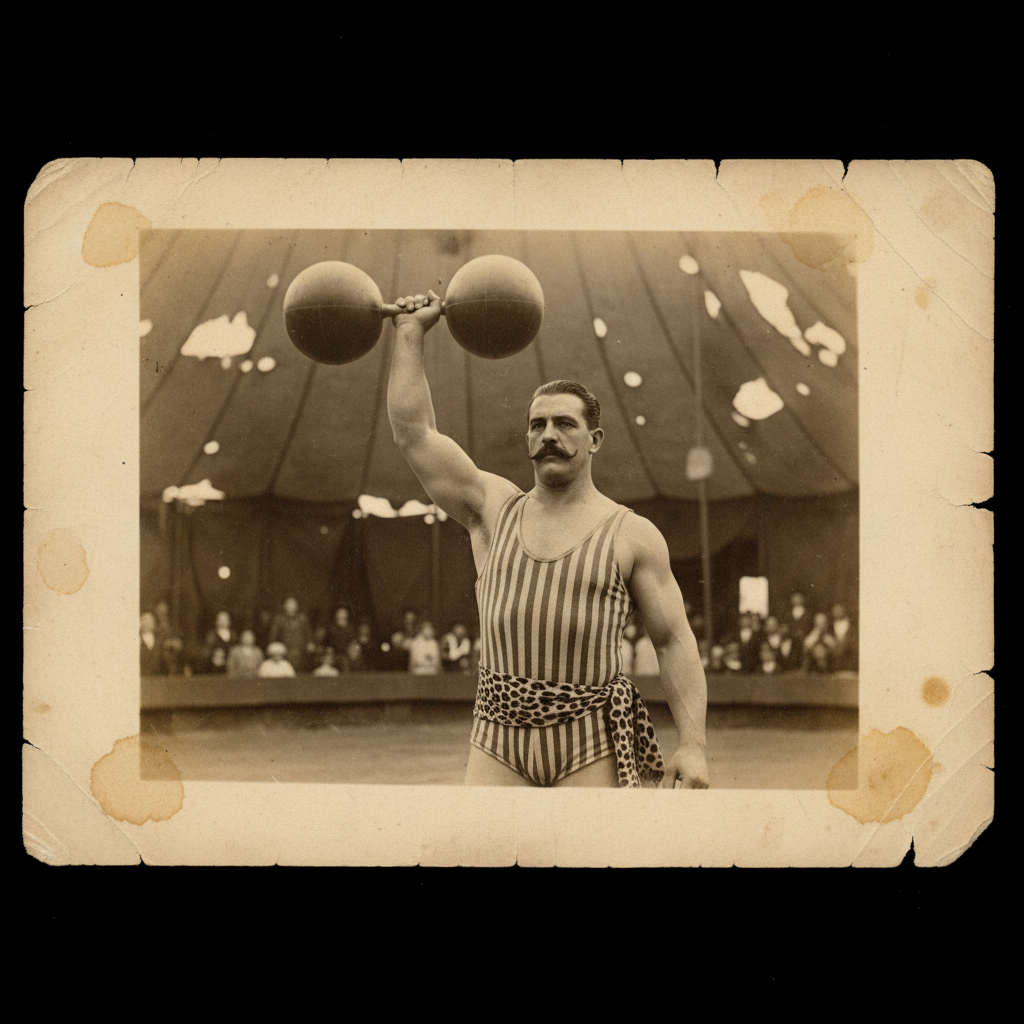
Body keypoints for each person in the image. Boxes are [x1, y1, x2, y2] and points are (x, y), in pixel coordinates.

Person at [385, 291, 708, 789]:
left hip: (590, 743)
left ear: (594, 439)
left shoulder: (632, 534)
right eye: (538, 424)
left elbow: (673, 640)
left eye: (565, 423)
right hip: (496, 741)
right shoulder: (492, 509)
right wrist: (409, 335)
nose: (549, 435)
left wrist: (692, 745)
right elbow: (414, 435)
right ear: (528, 439)